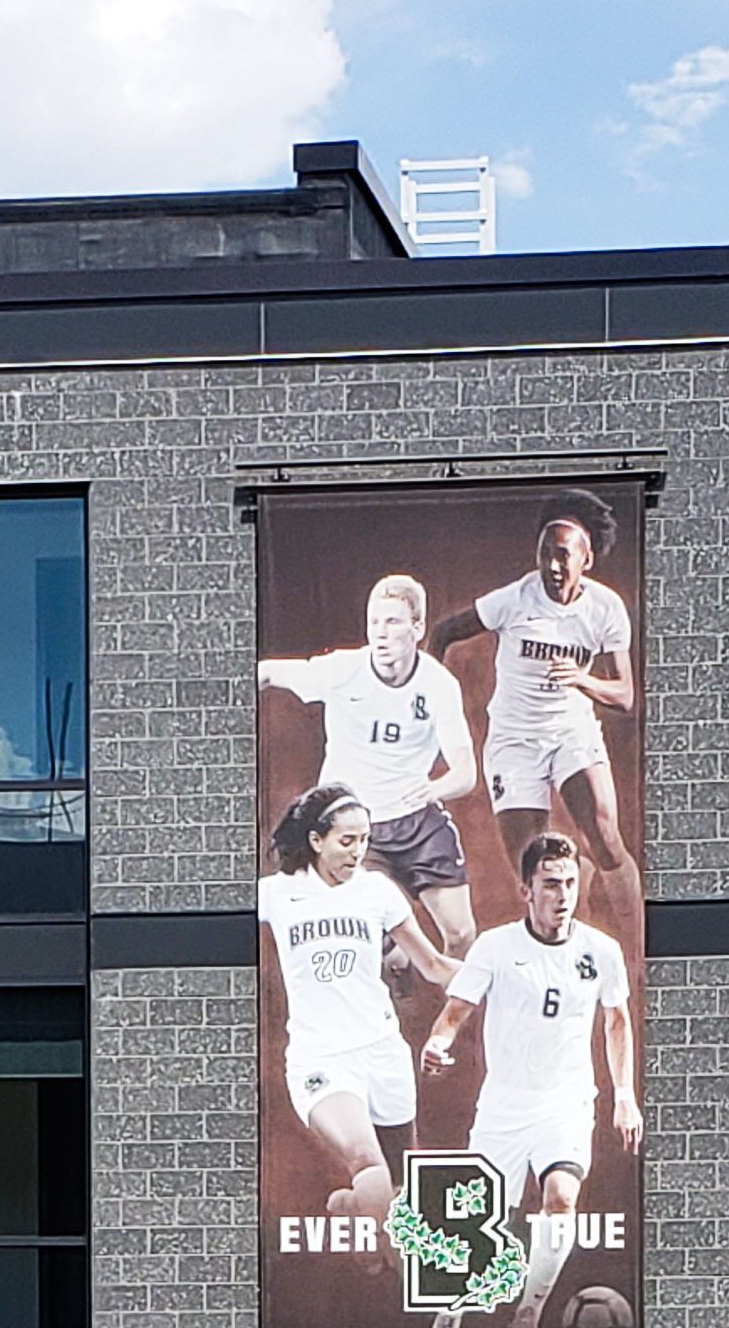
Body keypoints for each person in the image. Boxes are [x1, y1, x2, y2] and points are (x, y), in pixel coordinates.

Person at [419, 831, 640, 1328]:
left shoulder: (599, 951)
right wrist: (438, 1043)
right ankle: (449, 1316)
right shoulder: (496, 947)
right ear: (527, 890)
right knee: (480, 1218)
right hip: (504, 1107)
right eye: (550, 884)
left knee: (561, 1197)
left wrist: (623, 1096)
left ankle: (528, 1314)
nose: (562, 896)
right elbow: (455, 1013)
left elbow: (617, 1022)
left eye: (569, 883)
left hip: (565, 1103)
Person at [428, 490, 641, 966]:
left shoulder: (605, 609)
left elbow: (626, 696)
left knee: (606, 837)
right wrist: (424, 700)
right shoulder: (515, 600)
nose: (552, 565)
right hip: (515, 741)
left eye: (563, 555)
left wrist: (582, 680)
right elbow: (443, 632)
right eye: (545, 553)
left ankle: (637, 957)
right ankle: (565, 945)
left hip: (571, 733)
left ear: (585, 560)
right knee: (533, 866)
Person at [259, 782, 458, 1235]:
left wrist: (496, 974)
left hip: (383, 1052)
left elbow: (432, 965)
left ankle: (355, 1209)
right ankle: (385, 1250)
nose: (357, 851)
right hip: (321, 1057)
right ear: (316, 840)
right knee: (366, 1162)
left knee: (400, 1188)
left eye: (364, 840)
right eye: (346, 841)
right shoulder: (277, 893)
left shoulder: (377, 892)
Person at [259, 575, 478, 954]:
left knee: (461, 934)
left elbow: (466, 772)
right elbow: (266, 672)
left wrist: (436, 788)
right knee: (370, 932)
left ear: (417, 627)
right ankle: (394, 954)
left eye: (392, 622)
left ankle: (450, 1007)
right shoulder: (342, 670)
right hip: (358, 827)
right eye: (374, 622)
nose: (380, 633)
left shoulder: (438, 685)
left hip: (416, 820)